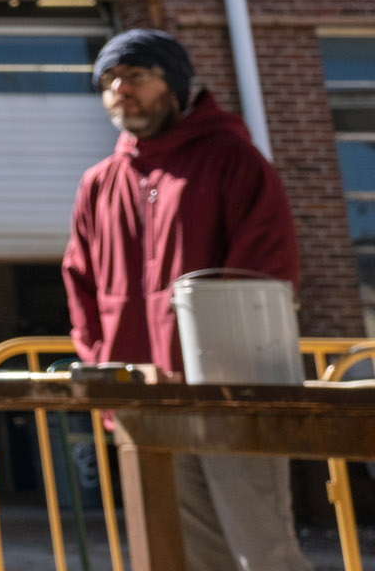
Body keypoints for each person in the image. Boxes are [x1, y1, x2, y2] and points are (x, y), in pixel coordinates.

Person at [64, 29, 308, 571]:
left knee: (262, 548)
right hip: (144, 404)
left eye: (137, 75)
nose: (120, 89)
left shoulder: (234, 160)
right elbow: (79, 280)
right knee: (186, 555)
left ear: (174, 85)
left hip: (230, 398)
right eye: (108, 80)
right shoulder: (98, 184)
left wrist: (208, 364)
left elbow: (265, 269)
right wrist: (105, 365)